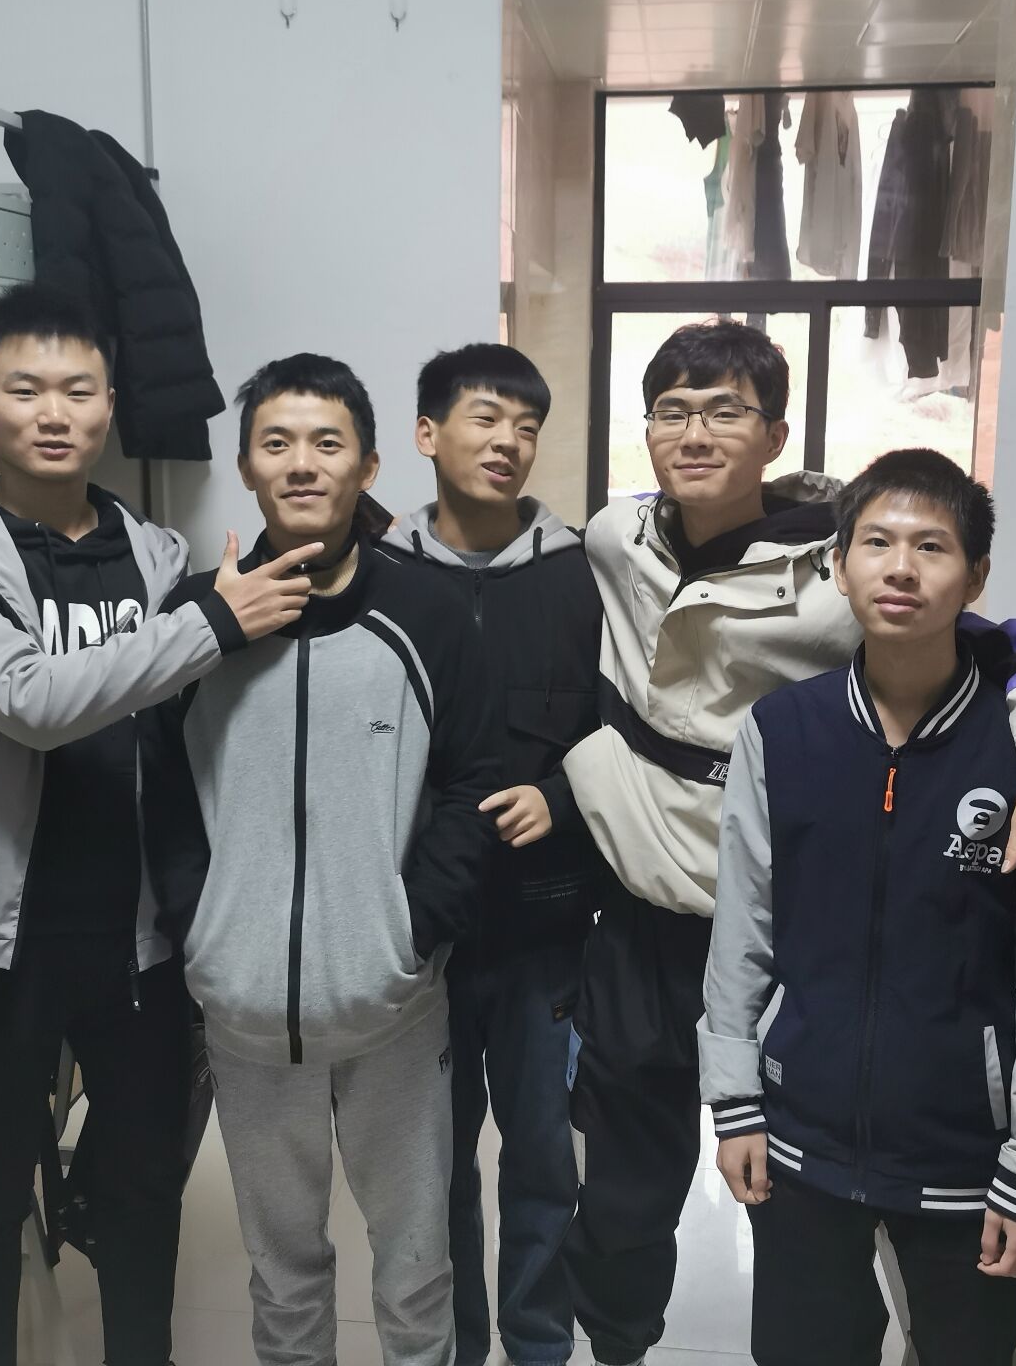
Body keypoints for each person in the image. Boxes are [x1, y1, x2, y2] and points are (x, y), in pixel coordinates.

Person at [559, 319, 1016, 1366]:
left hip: (788, 926)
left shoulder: (842, 570)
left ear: (774, 433)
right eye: (672, 411)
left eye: (725, 411)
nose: (695, 433)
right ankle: (618, 1346)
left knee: (824, 1206)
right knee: (624, 1195)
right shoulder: (614, 534)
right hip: (641, 914)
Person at [0, 282, 319, 1366]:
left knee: (142, 1194)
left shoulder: (155, 552)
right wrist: (214, 621)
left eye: (78, 390)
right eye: (24, 389)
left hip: (141, 940)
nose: (53, 412)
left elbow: (186, 713)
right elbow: (31, 700)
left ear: (110, 405)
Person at [701, 449, 1016, 1366]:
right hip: (799, 1137)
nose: (901, 568)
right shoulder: (783, 730)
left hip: (965, 1157)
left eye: (932, 546)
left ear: (976, 577)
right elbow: (742, 930)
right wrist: (735, 1101)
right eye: (876, 542)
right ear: (839, 566)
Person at [144, 353, 500, 1366]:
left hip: (395, 1009)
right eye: (277, 443)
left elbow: (473, 786)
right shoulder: (195, 620)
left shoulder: (430, 614)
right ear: (247, 467)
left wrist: (411, 932)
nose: (302, 464)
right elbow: (161, 796)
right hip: (246, 1016)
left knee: (416, 1262)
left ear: (369, 466)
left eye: (327, 443)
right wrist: (205, 933)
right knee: (282, 1265)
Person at [377, 344, 609, 1366]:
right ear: (427, 434)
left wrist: (559, 796)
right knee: (433, 1171)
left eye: (526, 426)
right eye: (485, 419)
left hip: (541, 930)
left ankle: (537, 1344)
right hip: (419, 933)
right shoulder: (380, 576)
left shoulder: (581, 577)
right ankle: (456, 1347)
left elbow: (621, 731)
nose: (508, 442)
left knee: (544, 1162)